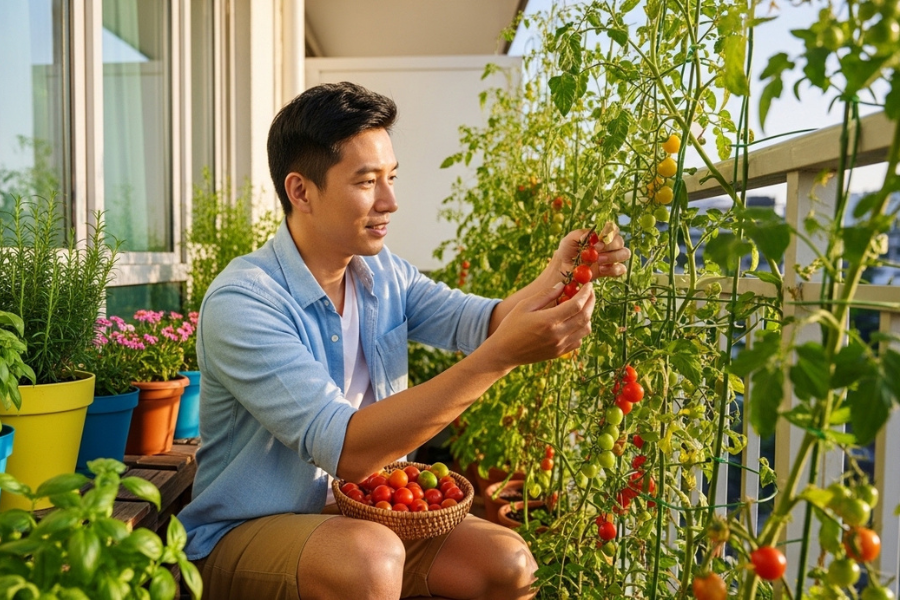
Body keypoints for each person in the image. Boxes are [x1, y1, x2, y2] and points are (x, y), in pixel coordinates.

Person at [178, 81, 630, 600]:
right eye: (367, 182)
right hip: (247, 532)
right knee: (369, 561)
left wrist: (559, 274)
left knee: (510, 564)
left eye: (391, 178)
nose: (390, 201)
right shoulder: (244, 301)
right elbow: (346, 448)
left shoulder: (382, 273)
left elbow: (480, 321)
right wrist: (500, 358)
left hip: (371, 514)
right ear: (300, 191)